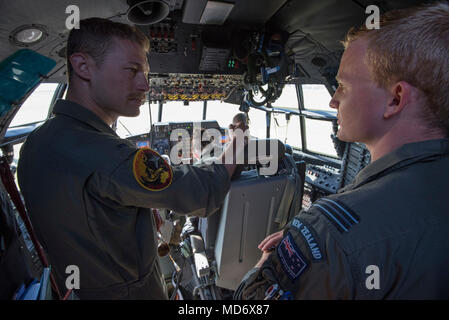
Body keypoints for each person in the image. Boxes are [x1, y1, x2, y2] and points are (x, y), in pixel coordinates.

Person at [17, 18, 245, 299]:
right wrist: (237, 140)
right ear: (83, 66)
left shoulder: (34, 144)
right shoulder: (107, 155)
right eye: (132, 70)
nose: (145, 85)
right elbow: (199, 191)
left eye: (145, 73)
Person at [235, 2, 449, 300]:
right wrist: (319, 251)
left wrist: (280, 260)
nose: (333, 101)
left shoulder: (327, 233)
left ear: (394, 99)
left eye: (343, 86)